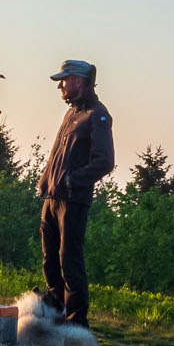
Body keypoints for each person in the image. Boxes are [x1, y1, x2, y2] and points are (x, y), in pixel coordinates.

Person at [37, 60, 115, 327]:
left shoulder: (97, 115)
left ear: (79, 81)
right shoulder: (71, 114)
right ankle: (55, 311)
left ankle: (76, 323)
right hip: (52, 198)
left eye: (65, 80)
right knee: (50, 259)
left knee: (69, 261)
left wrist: (72, 181)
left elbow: (104, 161)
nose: (61, 85)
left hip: (73, 200)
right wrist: (45, 180)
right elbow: (57, 154)